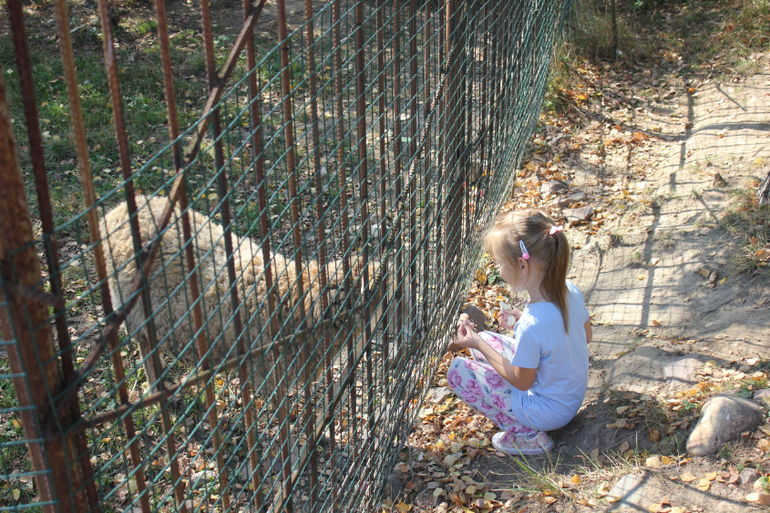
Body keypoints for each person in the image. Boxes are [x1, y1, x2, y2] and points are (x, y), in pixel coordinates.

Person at [446, 209, 592, 455]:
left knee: (458, 371)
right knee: (485, 338)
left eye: (501, 264)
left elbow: (522, 382)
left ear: (522, 265)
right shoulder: (568, 289)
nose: (500, 271)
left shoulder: (533, 324)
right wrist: (520, 319)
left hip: (548, 411)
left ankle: (528, 436)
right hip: (569, 396)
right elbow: (585, 336)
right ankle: (481, 345)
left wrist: (475, 344)